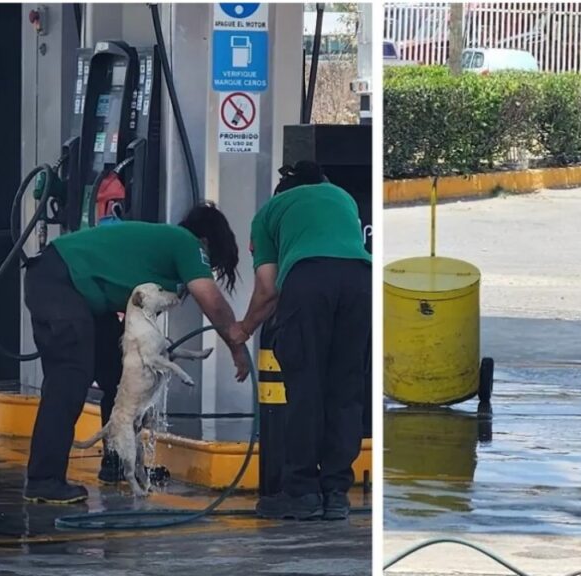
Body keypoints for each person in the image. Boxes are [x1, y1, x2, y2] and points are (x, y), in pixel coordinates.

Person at [22, 203, 251, 504]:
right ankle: (44, 479)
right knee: (69, 379)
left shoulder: (163, 244)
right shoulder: (187, 243)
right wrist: (237, 345)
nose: (207, 268)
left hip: (77, 290)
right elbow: (211, 300)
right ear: (207, 243)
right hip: (61, 283)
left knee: (118, 376)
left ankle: (117, 462)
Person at [236, 161, 371, 521]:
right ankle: (336, 493)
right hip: (361, 281)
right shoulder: (343, 198)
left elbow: (267, 289)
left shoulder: (269, 213)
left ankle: (301, 492)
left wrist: (244, 328)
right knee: (345, 389)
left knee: (304, 387)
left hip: (309, 280)